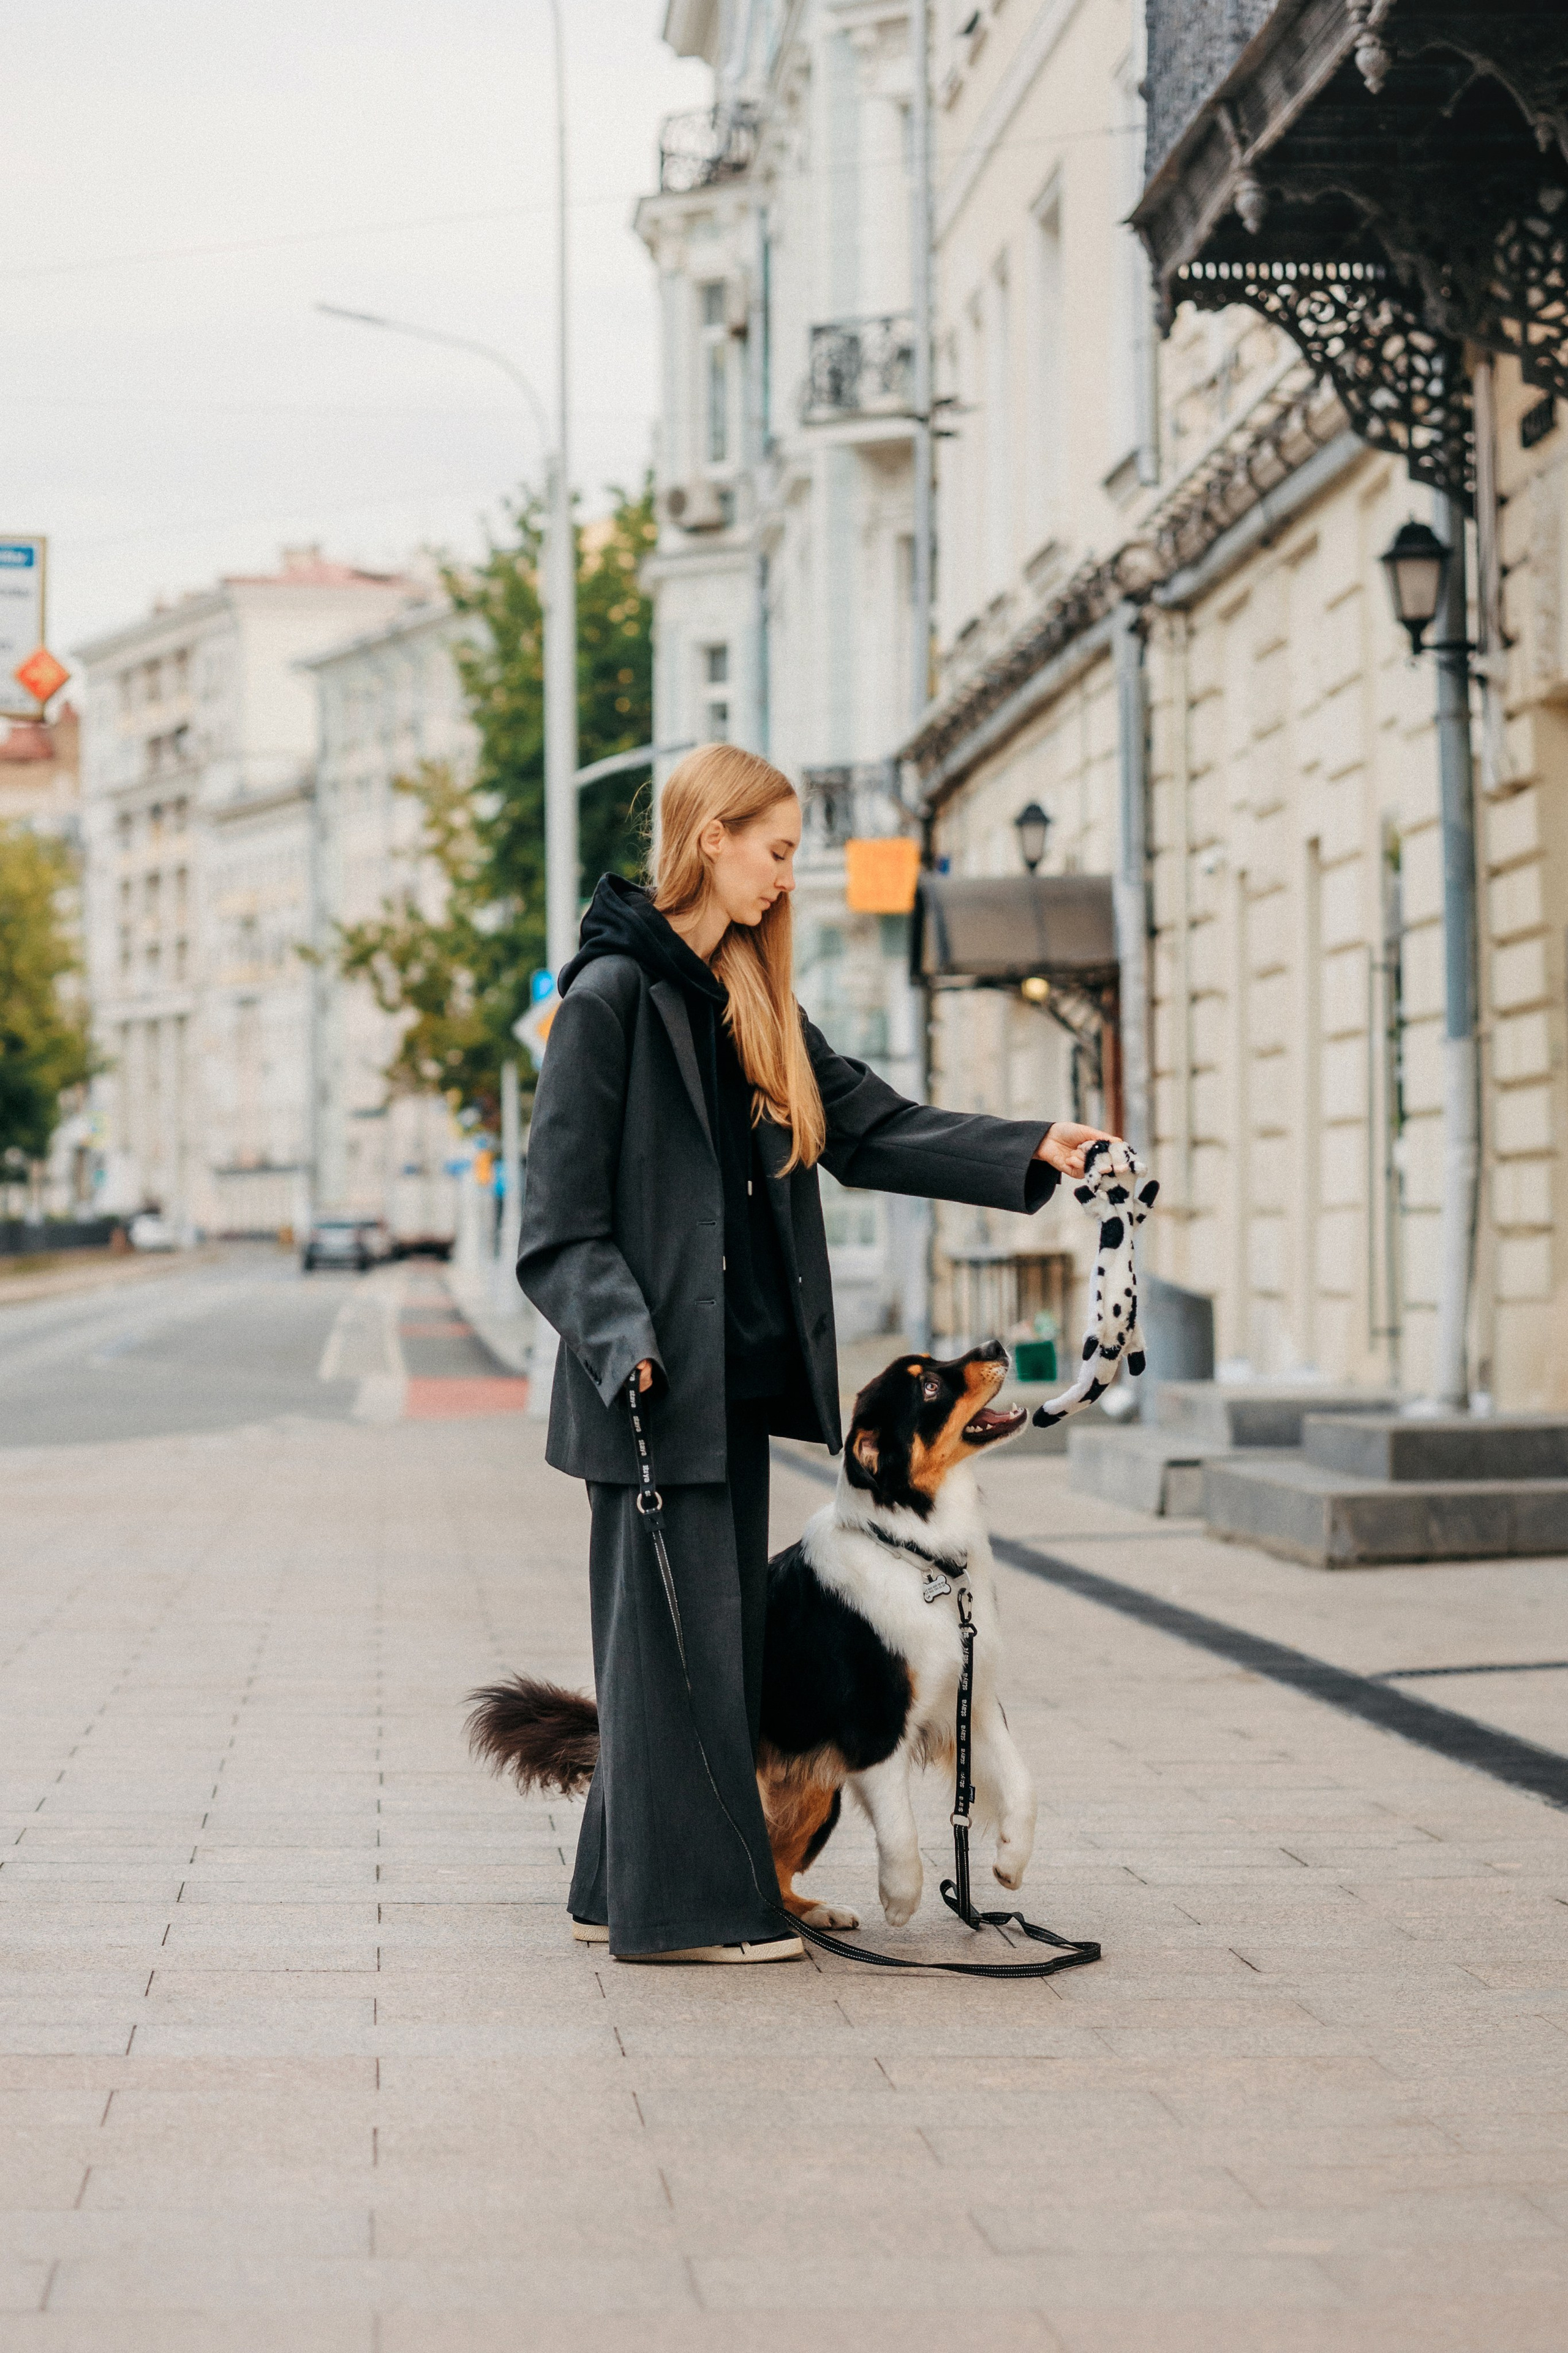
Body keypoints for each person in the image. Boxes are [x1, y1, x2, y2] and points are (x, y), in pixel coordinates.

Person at [516, 743, 1116, 1964]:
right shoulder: (609, 999)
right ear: (710, 839)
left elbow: (874, 1128)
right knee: (675, 1655)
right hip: (648, 1391)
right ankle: (687, 1914)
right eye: (777, 851)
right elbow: (557, 1223)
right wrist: (623, 1338)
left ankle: (614, 1890)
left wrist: (1029, 1147)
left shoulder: (752, 999)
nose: (787, 878)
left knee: (692, 1650)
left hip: (734, 1386)